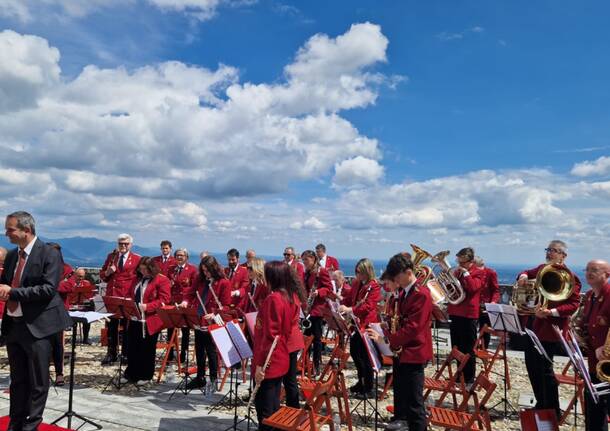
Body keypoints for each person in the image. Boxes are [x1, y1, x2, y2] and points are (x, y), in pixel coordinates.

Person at [0, 211, 72, 431]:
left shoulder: (48, 254)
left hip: (38, 327)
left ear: (26, 230)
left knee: (38, 382)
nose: (6, 233)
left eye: (10, 229)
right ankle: (15, 423)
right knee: (18, 380)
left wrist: (13, 292)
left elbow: (49, 289)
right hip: (14, 325)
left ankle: (31, 426)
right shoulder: (13, 255)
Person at [366, 253, 432, 431]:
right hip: (403, 353)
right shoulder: (405, 293)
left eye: (397, 276)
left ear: (408, 272)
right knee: (404, 396)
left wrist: (385, 339)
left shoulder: (421, 294)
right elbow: (400, 319)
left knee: (415, 405)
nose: (395, 280)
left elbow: (413, 328)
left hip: (414, 353)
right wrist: (386, 327)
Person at [516, 239, 581, 418]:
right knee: (532, 367)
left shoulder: (570, 276)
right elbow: (526, 272)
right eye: (548, 249)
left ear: (564, 255)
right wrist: (522, 276)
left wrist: (551, 312)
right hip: (535, 327)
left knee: (546, 370)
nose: (550, 253)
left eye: (554, 250)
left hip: (552, 329)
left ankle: (552, 409)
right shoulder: (541, 268)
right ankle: (540, 403)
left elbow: (574, 304)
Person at [253, 261, 298, 429]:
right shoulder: (287, 296)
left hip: (269, 361)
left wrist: (260, 365)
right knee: (273, 406)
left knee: (265, 411)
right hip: (280, 357)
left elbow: (271, 337)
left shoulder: (273, 299)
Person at [182, 255, 231, 390]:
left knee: (211, 351)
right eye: (203, 270)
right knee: (199, 349)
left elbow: (226, 305)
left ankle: (213, 379)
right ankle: (200, 377)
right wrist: (185, 301)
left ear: (214, 269)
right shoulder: (201, 279)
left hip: (213, 321)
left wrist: (215, 314)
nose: (206, 273)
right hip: (199, 318)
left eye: (208, 271)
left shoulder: (224, 283)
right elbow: (190, 293)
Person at [123, 257, 170, 384]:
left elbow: (164, 300)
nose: (143, 272)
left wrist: (148, 306)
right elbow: (129, 294)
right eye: (141, 269)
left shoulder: (162, 280)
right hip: (135, 317)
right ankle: (132, 373)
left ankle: (145, 375)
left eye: (145, 269)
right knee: (132, 346)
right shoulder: (137, 279)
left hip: (150, 319)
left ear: (152, 269)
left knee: (147, 348)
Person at [339, 258, 381, 399]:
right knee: (355, 352)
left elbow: (367, 306)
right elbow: (350, 298)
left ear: (367, 272)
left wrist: (349, 309)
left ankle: (368, 386)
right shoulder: (357, 283)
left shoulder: (374, 286)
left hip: (367, 325)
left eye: (360, 272)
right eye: (356, 272)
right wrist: (340, 303)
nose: (357, 275)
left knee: (365, 357)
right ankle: (361, 380)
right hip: (357, 324)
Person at [99, 233, 141, 365]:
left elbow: (140, 277)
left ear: (130, 245)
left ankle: (126, 354)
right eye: (120, 243)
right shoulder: (111, 257)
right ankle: (111, 353)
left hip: (127, 295)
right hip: (113, 295)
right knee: (112, 326)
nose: (123, 246)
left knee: (127, 326)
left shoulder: (136, 259)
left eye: (126, 244)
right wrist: (108, 272)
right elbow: (102, 274)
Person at [446, 247, 485, 385]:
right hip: (455, 312)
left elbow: (473, 288)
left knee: (468, 348)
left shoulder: (479, 273)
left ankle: (468, 378)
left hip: (468, 315)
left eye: (463, 262)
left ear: (470, 261)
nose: (460, 265)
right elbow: (452, 289)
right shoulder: (457, 272)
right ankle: (459, 375)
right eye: (459, 261)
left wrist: (466, 274)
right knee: (456, 346)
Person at [582, 260, 610, 431]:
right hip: (594, 362)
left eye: (594, 270)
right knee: (594, 406)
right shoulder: (590, 296)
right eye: (587, 269)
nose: (589, 273)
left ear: (607, 274)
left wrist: (604, 346)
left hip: (607, 361)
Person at [301, 249, 333, 374]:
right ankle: (305, 365)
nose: (304, 263)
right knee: (306, 338)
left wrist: (318, 292)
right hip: (308, 309)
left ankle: (316, 366)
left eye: (306, 260)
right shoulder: (307, 272)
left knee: (317, 340)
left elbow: (329, 288)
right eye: (303, 260)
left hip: (317, 309)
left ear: (313, 259)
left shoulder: (322, 272)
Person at [47, 242, 73, 387]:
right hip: (42, 310)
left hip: (58, 309)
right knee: (42, 343)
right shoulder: (40, 267)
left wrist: (48, 286)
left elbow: (68, 287)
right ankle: (42, 371)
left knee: (58, 343)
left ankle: (59, 373)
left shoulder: (66, 268)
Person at [167, 248, 197, 362]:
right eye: (177, 255)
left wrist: (187, 301)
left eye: (182, 255)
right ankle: (170, 352)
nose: (179, 257)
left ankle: (183, 353)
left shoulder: (193, 270)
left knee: (185, 330)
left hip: (185, 303)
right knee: (171, 327)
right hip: (173, 301)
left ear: (186, 257)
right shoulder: (171, 269)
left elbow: (194, 288)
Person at [61, 268, 96, 344]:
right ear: (74, 275)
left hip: (82, 305)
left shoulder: (86, 283)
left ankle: (85, 338)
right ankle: (73, 337)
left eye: (82, 276)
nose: (81, 278)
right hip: (71, 305)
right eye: (79, 276)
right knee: (73, 316)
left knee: (88, 314)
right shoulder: (69, 284)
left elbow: (89, 296)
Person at [474, 256, 499, 348]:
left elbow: (496, 290)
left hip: (485, 306)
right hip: (473, 306)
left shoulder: (490, 273)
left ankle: (483, 349)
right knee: (471, 329)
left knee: (485, 330)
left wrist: (493, 302)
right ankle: (472, 348)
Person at [225, 248, 249, 314]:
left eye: (233, 260)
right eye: (229, 259)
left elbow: (245, 288)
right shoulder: (225, 271)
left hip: (237, 306)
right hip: (226, 305)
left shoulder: (244, 271)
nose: (231, 262)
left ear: (238, 259)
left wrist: (235, 292)